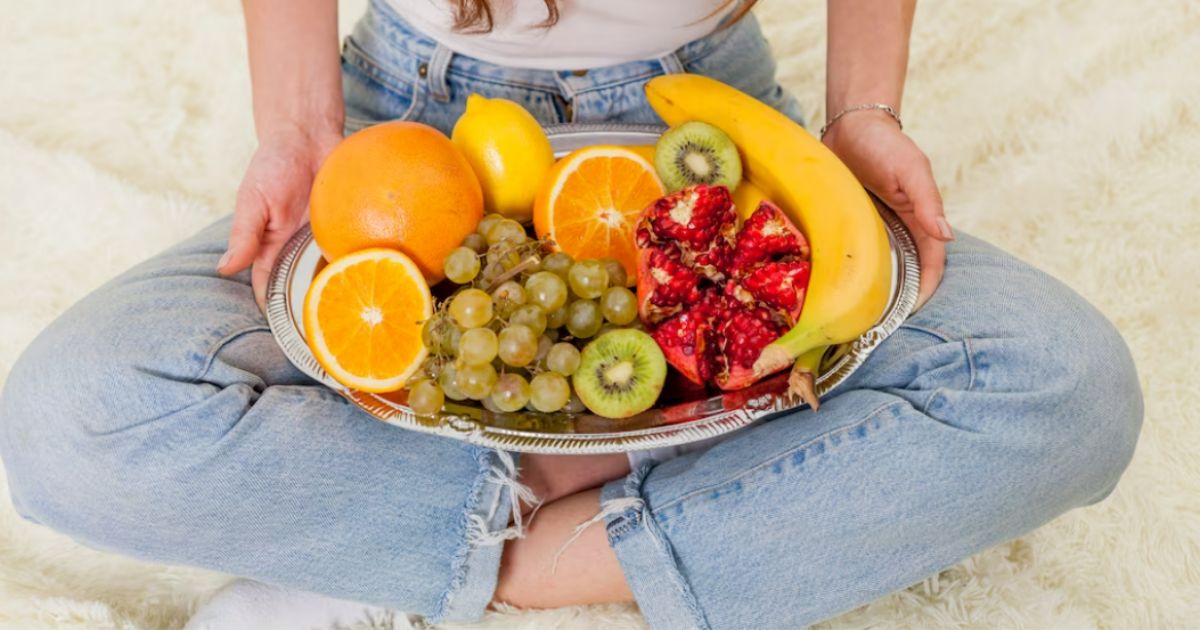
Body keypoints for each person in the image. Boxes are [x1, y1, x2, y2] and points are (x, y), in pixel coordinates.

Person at [0, 0, 1143, 628]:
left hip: (707, 117)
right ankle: (673, 495)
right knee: (70, 422)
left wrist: (864, 107)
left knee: (1064, 390)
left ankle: (402, 547)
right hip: (405, 123)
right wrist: (299, 127)